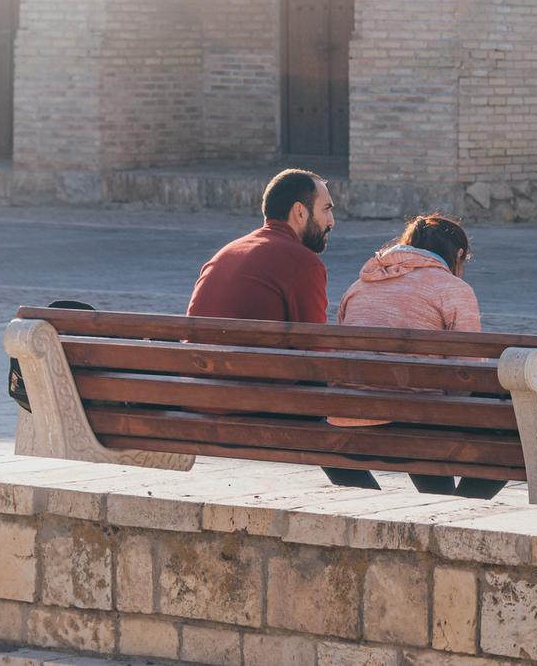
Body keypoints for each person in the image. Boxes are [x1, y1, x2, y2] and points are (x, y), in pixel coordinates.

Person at [321, 214, 503, 500]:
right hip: (418, 421)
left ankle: (411, 504)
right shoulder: (453, 289)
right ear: (458, 255)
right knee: (511, 432)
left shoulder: (358, 286)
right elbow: (465, 376)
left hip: (347, 418)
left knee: (420, 404)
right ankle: (454, 507)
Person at [186, 168, 334, 323]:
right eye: (326, 209)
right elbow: (314, 342)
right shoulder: (302, 263)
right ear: (300, 212)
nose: (331, 221)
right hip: (248, 347)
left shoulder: (226, 253)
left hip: (196, 347)